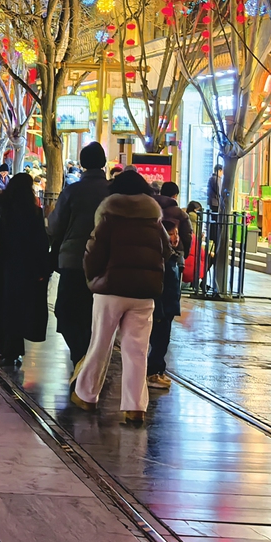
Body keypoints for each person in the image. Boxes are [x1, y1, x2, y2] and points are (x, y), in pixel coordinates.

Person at [70, 170, 172, 425]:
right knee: (136, 350)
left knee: (100, 344)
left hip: (111, 290)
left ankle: (86, 395)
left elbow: (93, 253)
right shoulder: (154, 220)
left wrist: (94, 279)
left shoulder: (109, 217)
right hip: (144, 293)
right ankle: (135, 407)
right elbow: (167, 252)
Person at [0, 173, 53, 368]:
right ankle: (14, 348)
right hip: (22, 268)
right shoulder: (33, 211)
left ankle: (2, 347)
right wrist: (44, 269)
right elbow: (40, 242)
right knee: (18, 308)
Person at [48, 142, 109, 368]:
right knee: (98, 316)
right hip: (106, 263)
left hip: (74, 261)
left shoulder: (72, 191)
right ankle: (91, 356)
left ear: (82, 163)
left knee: (67, 312)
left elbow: (55, 226)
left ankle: (81, 354)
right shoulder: (113, 191)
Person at [147, 220, 185, 389]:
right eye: (171, 233)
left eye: (176, 233)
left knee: (163, 342)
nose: (175, 237)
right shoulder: (163, 258)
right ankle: (152, 373)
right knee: (159, 341)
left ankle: (158, 372)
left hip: (169, 306)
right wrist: (161, 310)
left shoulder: (173, 256)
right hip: (162, 308)